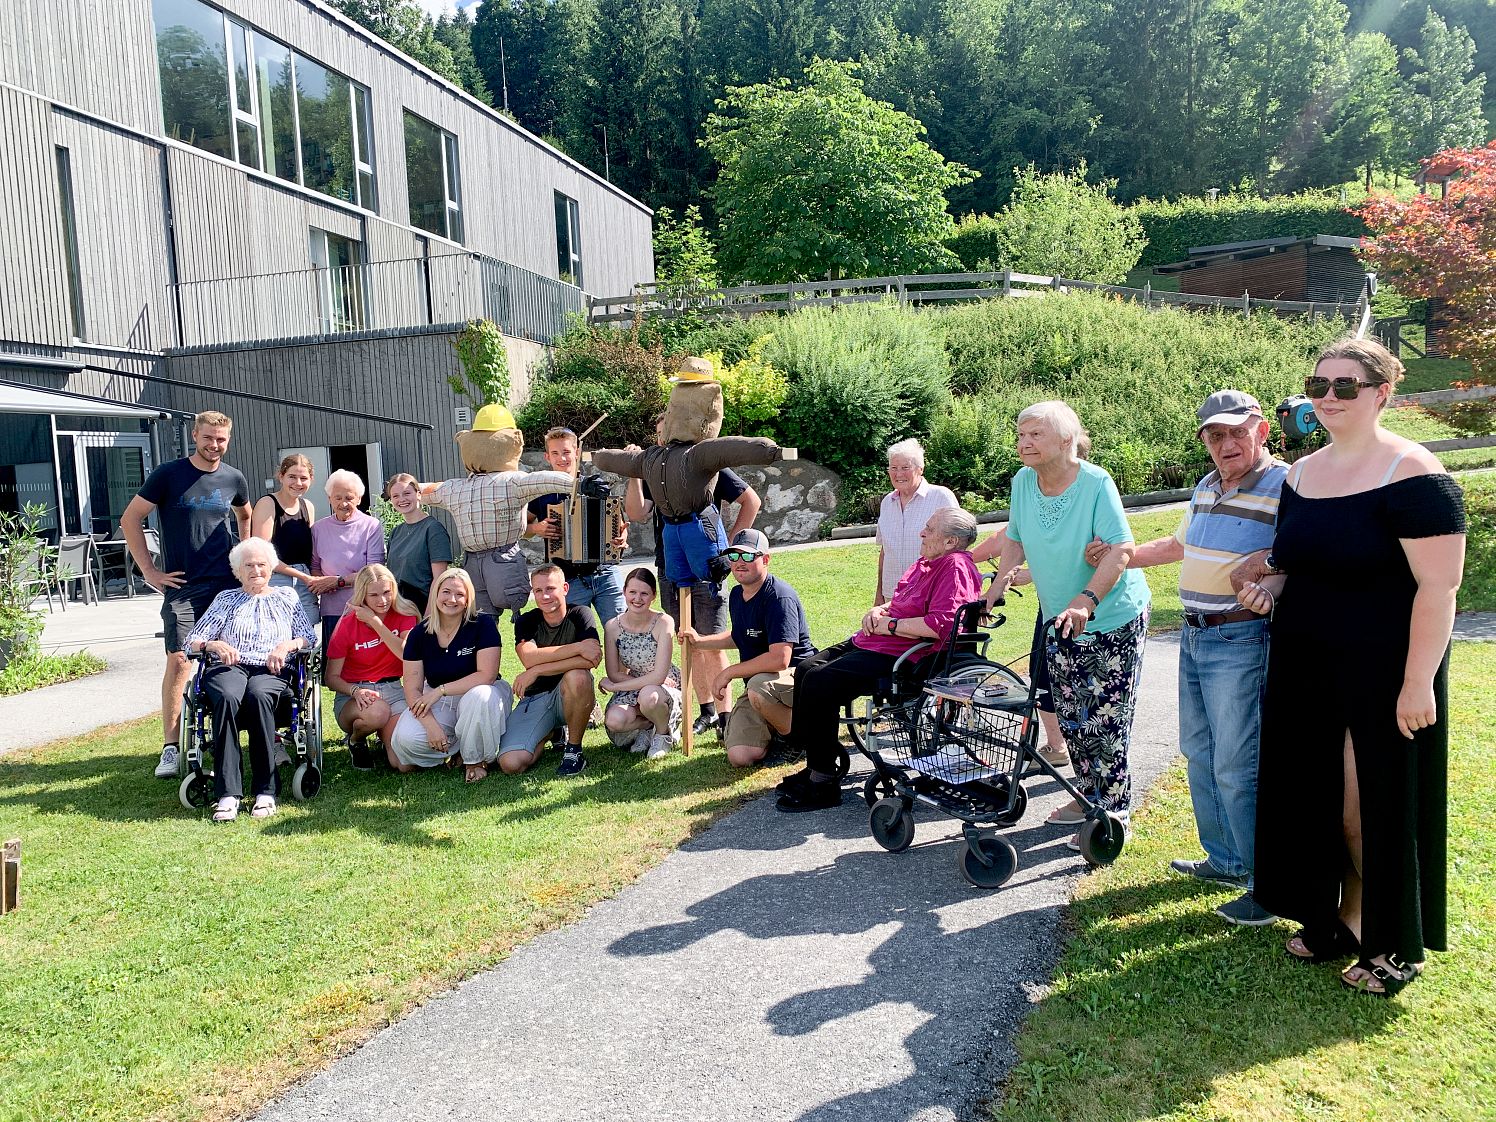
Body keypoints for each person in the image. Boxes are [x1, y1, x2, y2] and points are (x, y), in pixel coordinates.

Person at [1239, 338, 1465, 998]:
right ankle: (1340, 918)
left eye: (1346, 386)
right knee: (1314, 798)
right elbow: (1296, 566)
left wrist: (1418, 682)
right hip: (1305, 663)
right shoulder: (1301, 475)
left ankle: (1393, 943)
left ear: (1382, 393)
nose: (1329, 397)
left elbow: (1440, 588)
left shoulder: (1414, 472)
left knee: (1367, 806)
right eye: (1319, 385)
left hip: (1383, 667)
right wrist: (1267, 590)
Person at [1084, 389, 1287, 926]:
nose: (1226, 444)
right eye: (1215, 435)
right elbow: (1178, 547)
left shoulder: (1286, 484)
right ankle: (1225, 861)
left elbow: (1304, 548)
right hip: (1195, 636)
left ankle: (1263, 884)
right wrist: (1118, 556)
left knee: (1237, 763)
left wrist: (1266, 563)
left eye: (1237, 432)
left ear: (1261, 431)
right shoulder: (1205, 486)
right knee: (1199, 751)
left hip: (1241, 638)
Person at [983, 401, 1151, 850]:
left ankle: (1112, 815)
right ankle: (1089, 797)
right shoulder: (1023, 481)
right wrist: (997, 585)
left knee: (1105, 721)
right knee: (1073, 717)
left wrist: (1086, 600)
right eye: (1021, 434)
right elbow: (1015, 538)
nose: (1024, 442)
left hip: (1110, 617)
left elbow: (1122, 548)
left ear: (1066, 440)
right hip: (1060, 617)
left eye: (1035, 434)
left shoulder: (1095, 482)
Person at [775, 508, 984, 812]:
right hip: (880, 641)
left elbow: (942, 625)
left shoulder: (954, 566)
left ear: (951, 541)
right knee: (806, 668)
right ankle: (816, 762)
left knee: (821, 682)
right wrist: (880, 610)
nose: (922, 533)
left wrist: (891, 625)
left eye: (929, 529)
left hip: (907, 654)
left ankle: (823, 782)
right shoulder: (928, 562)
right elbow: (903, 602)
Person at [121, 409, 253, 781]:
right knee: (180, 660)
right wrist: (149, 571)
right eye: (208, 437)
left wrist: (243, 558)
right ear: (195, 436)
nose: (214, 445)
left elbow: (245, 515)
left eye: (221, 439)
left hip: (226, 585)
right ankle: (171, 746)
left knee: (235, 657)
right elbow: (130, 519)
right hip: (183, 586)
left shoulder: (234, 478)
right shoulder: (168, 474)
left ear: (228, 440)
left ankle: (241, 734)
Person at [625, 414, 764, 739]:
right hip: (670, 567)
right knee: (689, 640)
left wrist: (728, 546)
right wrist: (633, 472)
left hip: (706, 569)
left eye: (669, 432)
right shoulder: (655, 467)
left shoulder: (703, 465)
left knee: (711, 641)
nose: (664, 440)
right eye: (659, 435)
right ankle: (707, 711)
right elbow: (637, 512)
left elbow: (751, 500)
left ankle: (727, 716)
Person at [183, 537, 317, 822]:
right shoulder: (226, 599)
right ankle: (228, 794)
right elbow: (193, 640)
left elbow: (308, 637)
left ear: (271, 567)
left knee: (259, 695)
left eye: (261, 564)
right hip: (230, 666)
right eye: (248, 565)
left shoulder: (287, 597)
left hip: (272, 669)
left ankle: (266, 791)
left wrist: (287, 646)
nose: (256, 570)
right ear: (237, 571)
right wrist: (214, 645)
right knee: (227, 695)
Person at [680, 529, 817, 768]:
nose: (739, 562)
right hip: (763, 686)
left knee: (758, 687)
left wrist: (729, 672)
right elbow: (740, 636)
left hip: (798, 679)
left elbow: (780, 659)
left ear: (766, 559)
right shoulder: (737, 594)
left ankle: (801, 740)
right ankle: (778, 728)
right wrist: (700, 642)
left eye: (748, 556)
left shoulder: (779, 597)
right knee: (740, 757)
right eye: (733, 556)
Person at [388, 568, 509, 784]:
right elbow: (412, 688)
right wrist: (431, 726)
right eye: (446, 592)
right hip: (439, 698)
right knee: (406, 740)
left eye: (459, 594)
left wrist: (440, 691)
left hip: (482, 694)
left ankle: (474, 760)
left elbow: (487, 676)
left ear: (468, 599)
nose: (452, 599)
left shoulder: (483, 624)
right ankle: (458, 746)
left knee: (480, 696)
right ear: (436, 594)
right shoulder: (419, 633)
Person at [498, 564, 602, 777]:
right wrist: (578, 648)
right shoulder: (527, 620)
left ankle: (573, 750)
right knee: (511, 763)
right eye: (538, 590)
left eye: (550, 589)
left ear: (565, 588)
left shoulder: (580, 614)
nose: (544, 596)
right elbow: (529, 657)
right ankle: (553, 732)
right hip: (536, 698)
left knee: (578, 676)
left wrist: (538, 670)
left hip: (569, 695)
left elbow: (592, 659)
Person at [525, 426, 629, 629]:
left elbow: (619, 524)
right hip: (569, 578)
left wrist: (622, 537)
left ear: (577, 452)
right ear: (547, 457)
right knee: (577, 636)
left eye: (566, 452)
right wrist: (537, 528)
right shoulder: (541, 492)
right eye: (555, 453)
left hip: (605, 572)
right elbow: (523, 528)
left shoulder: (595, 486)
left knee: (620, 633)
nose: (561, 458)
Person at [324, 563, 421, 771]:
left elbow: (406, 654)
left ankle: (385, 738)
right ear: (363, 595)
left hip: (393, 690)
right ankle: (356, 740)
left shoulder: (405, 613)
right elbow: (331, 678)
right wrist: (355, 691)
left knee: (405, 765)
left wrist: (376, 623)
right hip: (355, 695)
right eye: (374, 595)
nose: (382, 600)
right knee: (378, 712)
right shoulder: (347, 623)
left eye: (387, 592)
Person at [599, 568, 682, 760]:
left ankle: (662, 735)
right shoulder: (612, 627)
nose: (637, 599)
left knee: (649, 696)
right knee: (614, 720)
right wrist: (628, 683)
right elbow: (613, 673)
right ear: (624, 592)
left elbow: (659, 676)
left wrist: (615, 687)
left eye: (644, 593)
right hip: (633, 682)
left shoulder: (664, 622)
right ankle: (647, 727)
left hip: (665, 685)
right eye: (632, 592)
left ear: (653, 595)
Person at [309, 470, 385, 658]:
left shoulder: (371, 526)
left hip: (363, 608)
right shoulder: (318, 529)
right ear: (329, 499)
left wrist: (337, 582)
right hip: (331, 610)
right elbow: (315, 566)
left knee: (364, 663)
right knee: (335, 666)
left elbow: (374, 571)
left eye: (349, 498)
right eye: (338, 498)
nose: (343, 503)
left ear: (359, 499)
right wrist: (321, 582)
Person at [876, 438, 957, 604]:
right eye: (893, 468)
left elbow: (958, 548)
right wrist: (879, 593)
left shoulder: (941, 497)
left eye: (905, 468)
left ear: (920, 469)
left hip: (930, 594)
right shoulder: (887, 503)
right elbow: (885, 552)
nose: (899, 474)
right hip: (892, 595)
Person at [251, 454, 319, 621]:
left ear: (311, 479)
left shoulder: (308, 507)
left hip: (304, 580)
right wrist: (301, 576)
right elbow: (263, 556)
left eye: (303, 478)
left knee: (307, 631)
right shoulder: (267, 504)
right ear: (281, 476)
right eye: (292, 477)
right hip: (275, 579)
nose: (298, 483)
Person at [384, 472, 451, 609]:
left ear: (418, 494)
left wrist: (429, 614)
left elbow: (439, 578)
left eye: (407, 493)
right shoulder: (396, 532)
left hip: (422, 604)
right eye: (395, 496)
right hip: (398, 605)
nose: (402, 499)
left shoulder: (433, 529)